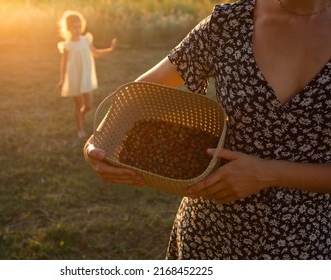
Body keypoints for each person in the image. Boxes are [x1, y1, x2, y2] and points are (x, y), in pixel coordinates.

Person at [83, 0, 331, 259]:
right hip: (210, 232)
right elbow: (139, 94)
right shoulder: (229, 24)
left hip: (306, 241)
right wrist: (97, 143)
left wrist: (269, 173)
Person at [57, 10, 117, 139]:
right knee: (77, 105)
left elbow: (96, 53)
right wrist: (62, 80)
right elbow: (63, 64)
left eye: (79, 26)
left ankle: (83, 113)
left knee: (89, 105)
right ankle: (79, 129)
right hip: (74, 77)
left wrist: (110, 49)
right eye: (74, 27)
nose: (78, 30)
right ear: (68, 28)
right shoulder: (67, 45)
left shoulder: (86, 40)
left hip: (86, 77)